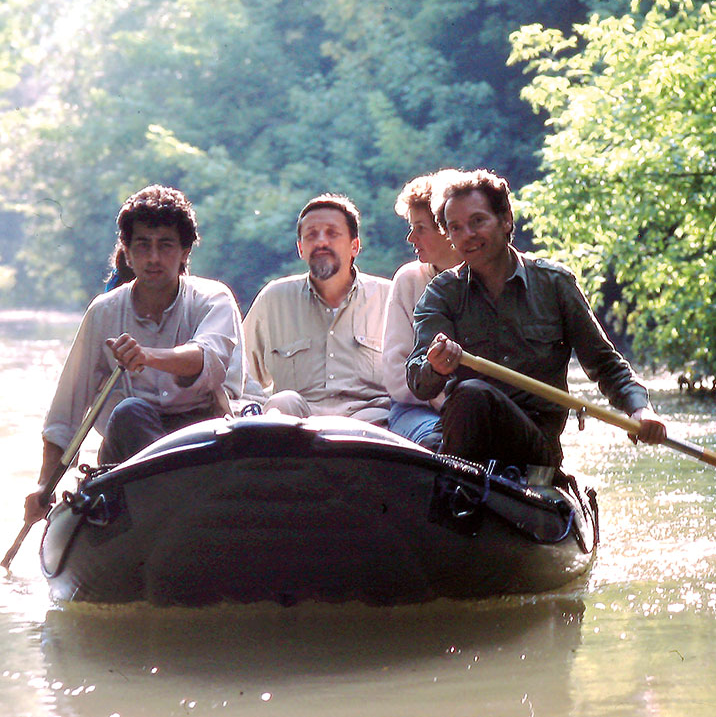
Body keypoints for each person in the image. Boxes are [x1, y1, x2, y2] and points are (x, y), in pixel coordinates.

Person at [406, 169, 666, 471]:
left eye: (477, 221)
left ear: (506, 220)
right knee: (439, 433)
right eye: (456, 228)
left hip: (534, 445)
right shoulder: (441, 292)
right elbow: (418, 383)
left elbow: (606, 366)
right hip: (464, 439)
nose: (468, 235)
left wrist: (641, 410)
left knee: (472, 393)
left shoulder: (555, 284)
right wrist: (435, 367)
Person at [24, 185, 244, 524]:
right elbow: (66, 414)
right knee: (130, 413)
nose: (153, 258)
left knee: (209, 433)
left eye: (166, 245)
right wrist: (44, 484)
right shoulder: (104, 312)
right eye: (142, 245)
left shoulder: (213, 299)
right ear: (126, 252)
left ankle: (193, 509)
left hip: (198, 443)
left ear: (185, 252)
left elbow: (207, 360)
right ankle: (182, 511)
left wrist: (149, 356)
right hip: (128, 451)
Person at [243, 193, 391, 423]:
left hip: (370, 420)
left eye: (332, 233)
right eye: (312, 235)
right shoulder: (274, 300)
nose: (322, 242)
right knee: (282, 403)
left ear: (355, 246)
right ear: (301, 248)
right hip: (297, 424)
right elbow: (243, 377)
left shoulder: (388, 298)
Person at [382, 171, 463, 449]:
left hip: (474, 408)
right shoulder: (408, 280)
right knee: (440, 442)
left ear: (448, 229)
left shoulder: (487, 278)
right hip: (416, 409)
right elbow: (396, 377)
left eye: (420, 228)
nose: (410, 238)